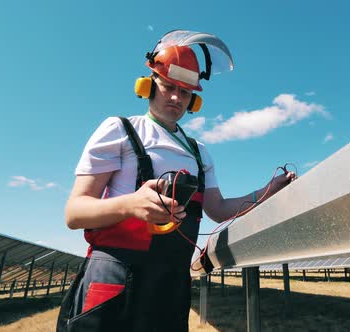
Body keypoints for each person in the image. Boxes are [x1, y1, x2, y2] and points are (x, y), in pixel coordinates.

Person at [56, 30, 295, 332]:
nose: (175, 98)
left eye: (184, 93)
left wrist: (269, 191)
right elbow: (74, 212)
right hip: (114, 278)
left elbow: (219, 209)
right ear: (147, 85)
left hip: (170, 285)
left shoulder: (199, 152)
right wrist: (131, 204)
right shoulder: (120, 130)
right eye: (168, 86)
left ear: (194, 100)